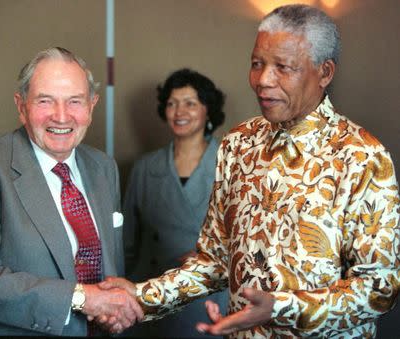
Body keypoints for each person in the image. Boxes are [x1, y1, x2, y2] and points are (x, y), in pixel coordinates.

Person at [100, 4, 400, 338]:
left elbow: (379, 288)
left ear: (325, 72)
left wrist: (282, 308)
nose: (262, 80)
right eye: (257, 63)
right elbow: (215, 259)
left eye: (283, 67)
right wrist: (142, 296)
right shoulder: (239, 144)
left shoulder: (362, 157)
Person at [0, 47, 143, 336]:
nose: (61, 117)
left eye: (75, 101)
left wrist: (113, 308)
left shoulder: (103, 167)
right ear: (21, 105)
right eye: (45, 101)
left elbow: (110, 267)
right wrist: (82, 299)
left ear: (92, 105)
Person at [122, 68, 228, 337]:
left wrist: (211, 258)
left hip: (210, 297)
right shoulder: (145, 168)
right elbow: (127, 243)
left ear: (208, 110)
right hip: (155, 293)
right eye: (172, 103)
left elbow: (252, 238)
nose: (180, 112)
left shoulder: (232, 163)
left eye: (190, 103)